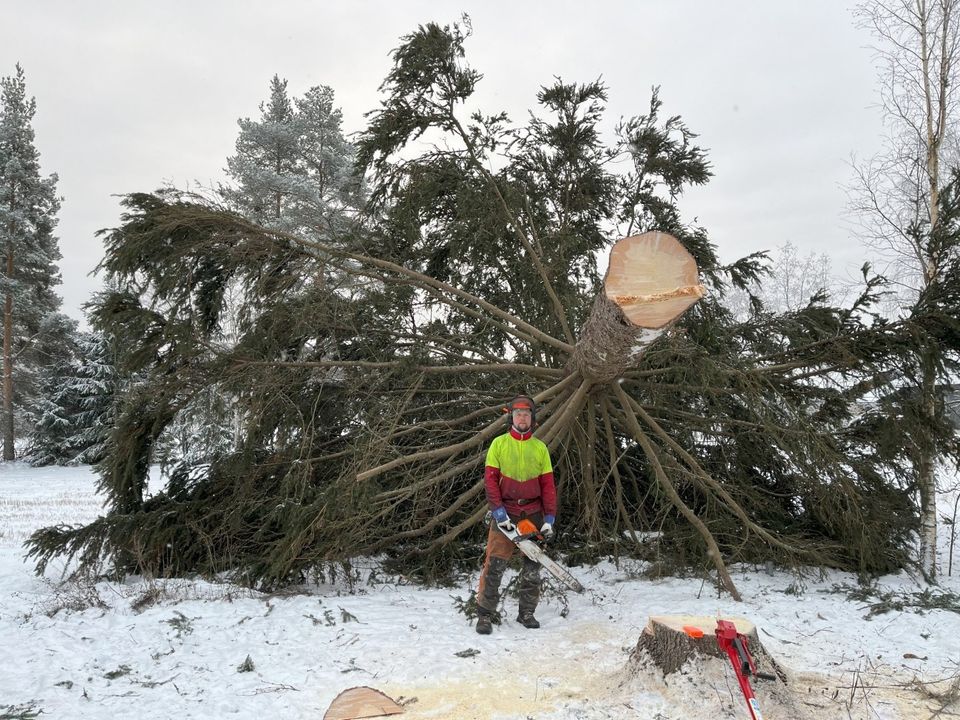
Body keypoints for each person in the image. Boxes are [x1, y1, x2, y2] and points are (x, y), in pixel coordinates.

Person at [475, 395, 556, 635]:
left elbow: (548, 486)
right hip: (506, 511)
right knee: (495, 564)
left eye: (527, 414)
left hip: (532, 513)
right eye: (519, 414)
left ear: (533, 419)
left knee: (532, 565)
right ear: (512, 417)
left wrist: (549, 519)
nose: (523, 418)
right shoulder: (499, 444)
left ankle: (526, 613)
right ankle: (485, 615)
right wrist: (498, 511)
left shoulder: (539, 448)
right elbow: (490, 482)